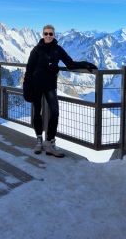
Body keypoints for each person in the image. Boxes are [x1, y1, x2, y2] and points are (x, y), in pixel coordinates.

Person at [23, 24, 97, 157]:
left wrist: (85, 64)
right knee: (37, 113)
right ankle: (39, 140)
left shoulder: (57, 49)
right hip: (36, 85)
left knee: (55, 112)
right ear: (43, 34)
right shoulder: (36, 50)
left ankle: (50, 143)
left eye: (50, 34)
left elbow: (70, 63)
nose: (48, 36)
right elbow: (29, 69)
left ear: (54, 35)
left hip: (50, 86)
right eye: (46, 33)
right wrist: (26, 86)